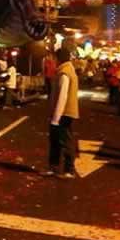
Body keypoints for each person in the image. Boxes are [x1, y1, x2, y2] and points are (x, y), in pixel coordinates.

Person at [42, 48, 80, 179]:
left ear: (59, 58)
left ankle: (69, 170)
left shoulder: (64, 73)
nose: (53, 60)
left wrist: (56, 118)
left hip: (64, 113)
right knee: (55, 140)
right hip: (62, 113)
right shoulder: (66, 70)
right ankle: (53, 167)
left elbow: (62, 97)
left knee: (65, 141)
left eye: (54, 58)